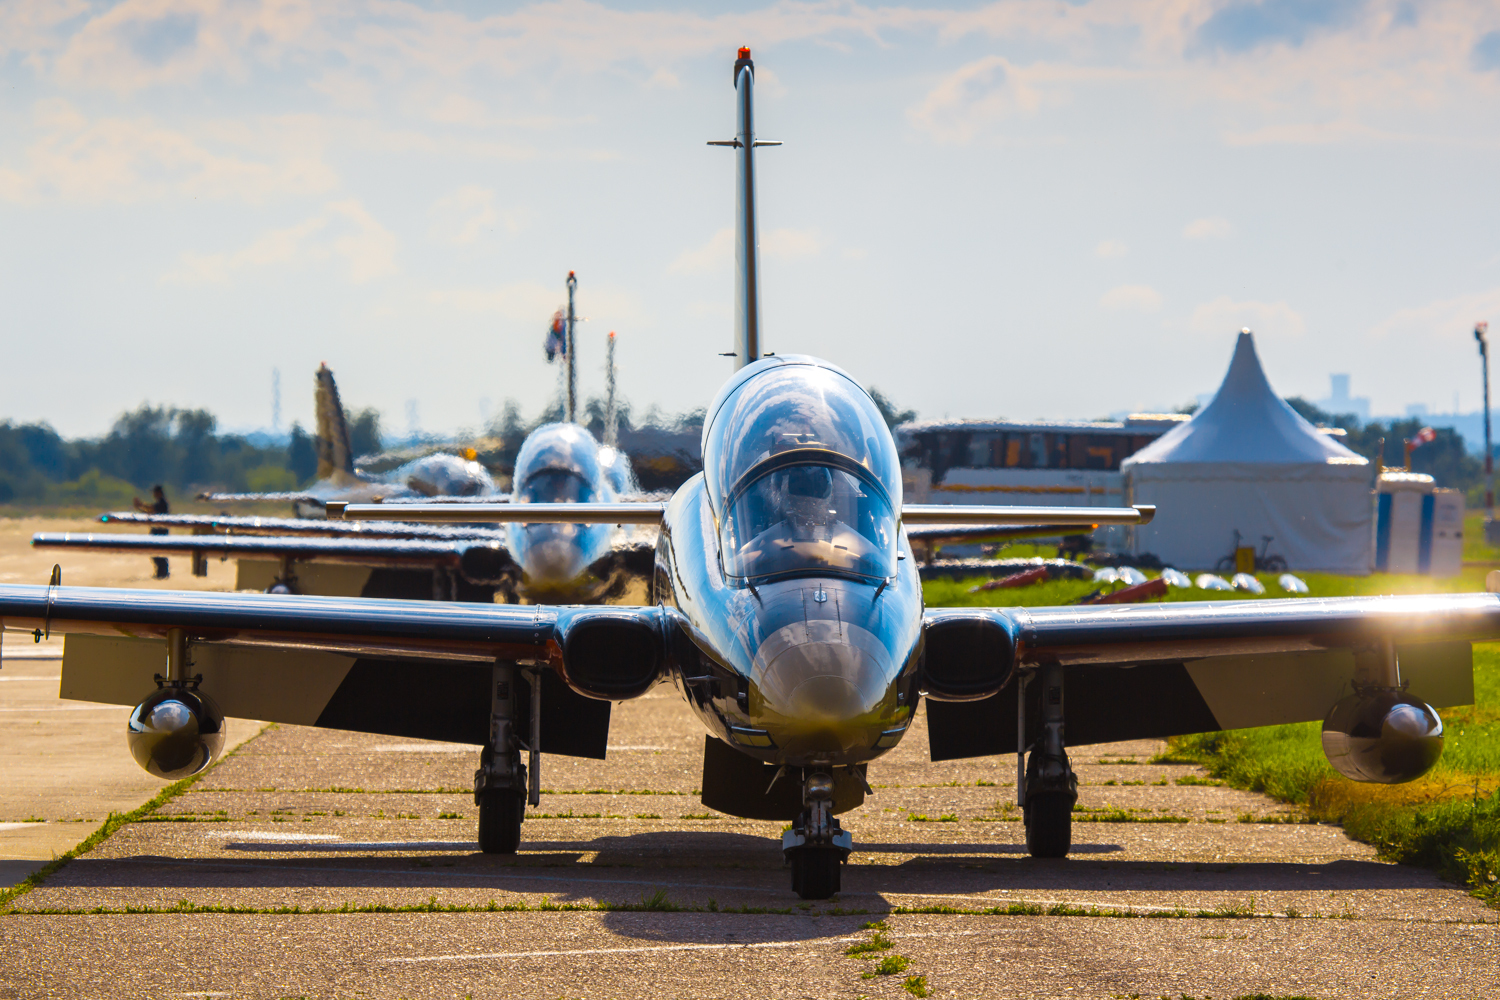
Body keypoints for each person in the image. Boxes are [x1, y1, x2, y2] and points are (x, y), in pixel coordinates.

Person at [132, 485, 170, 579]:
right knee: (157, 553)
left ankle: (162, 574)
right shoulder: (161, 503)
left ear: (159, 493)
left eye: (154, 492)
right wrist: (140, 507)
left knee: (158, 553)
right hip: (159, 530)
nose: (153, 494)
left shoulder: (162, 503)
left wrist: (140, 506)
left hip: (160, 531)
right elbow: (150, 510)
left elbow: (151, 510)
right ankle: (161, 573)